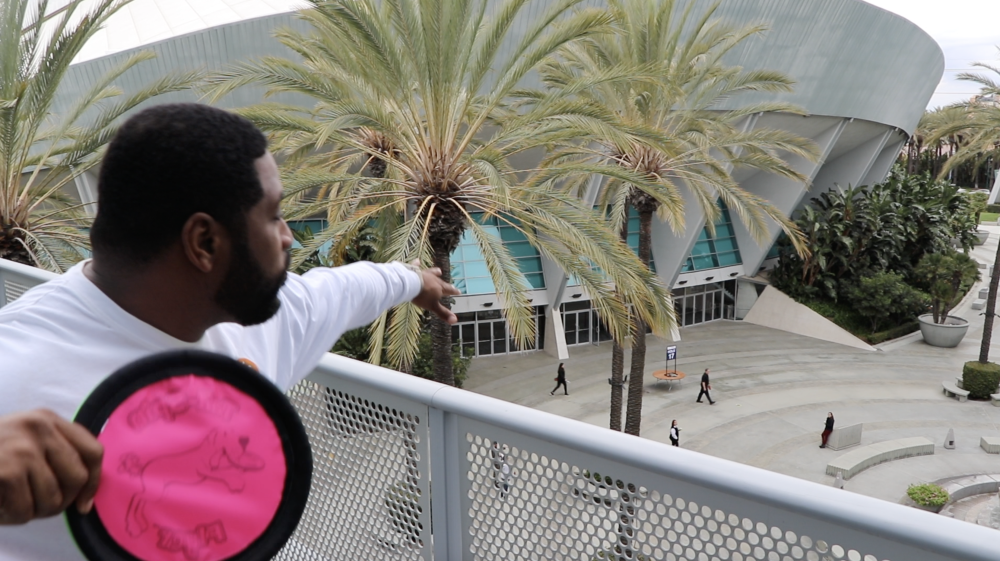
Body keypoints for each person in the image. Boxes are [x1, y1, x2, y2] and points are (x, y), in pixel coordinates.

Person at [0, 104, 459, 559]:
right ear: (205, 242)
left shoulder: (261, 318)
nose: (289, 238)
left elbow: (345, 288)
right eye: (274, 215)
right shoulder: (14, 366)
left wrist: (416, 281)